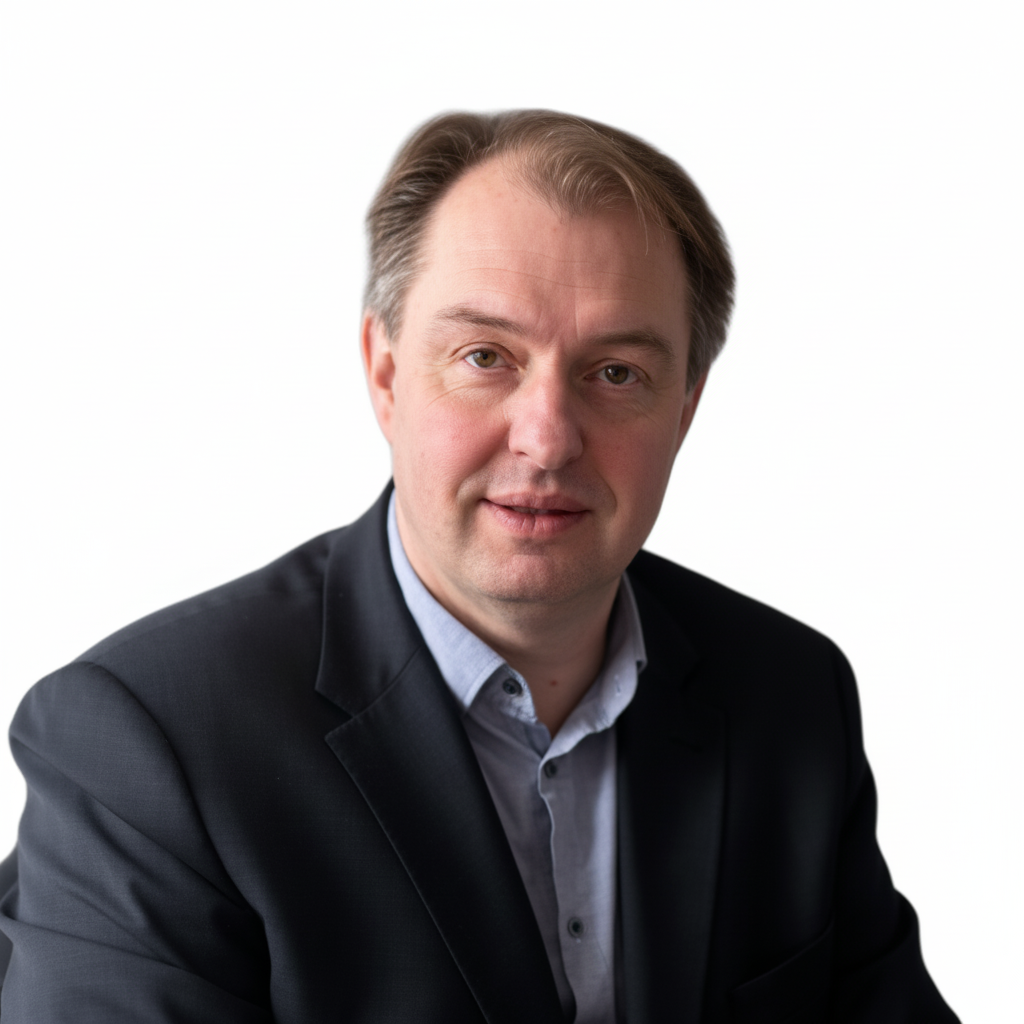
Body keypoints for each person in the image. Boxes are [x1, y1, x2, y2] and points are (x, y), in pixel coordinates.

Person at [0, 110, 958, 1022]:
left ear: (686, 407)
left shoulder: (791, 694)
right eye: (485, 357)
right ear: (385, 374)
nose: (547, 438)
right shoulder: (147, 743)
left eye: (615, 373)